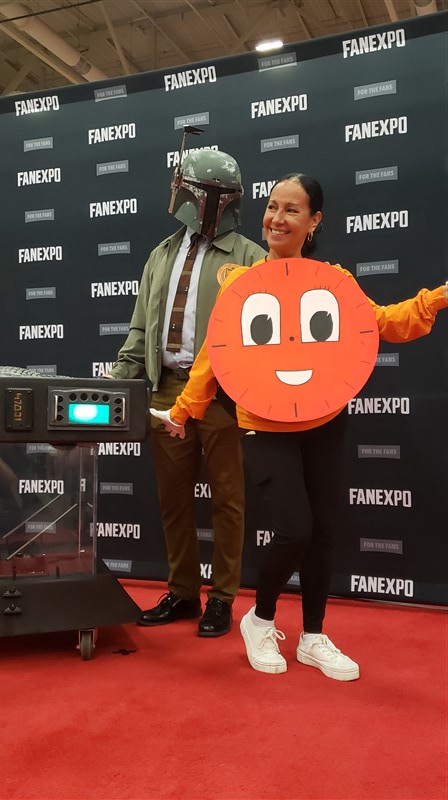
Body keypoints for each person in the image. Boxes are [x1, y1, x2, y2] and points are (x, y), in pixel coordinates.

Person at [151, 172, 448, 678]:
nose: (277, 218)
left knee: (324, 530)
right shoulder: (242, 285)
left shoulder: (334, 280)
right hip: (263, 422)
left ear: (314, 221)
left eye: (292, 210)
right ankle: (261, 620)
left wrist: (435, 299)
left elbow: (381, 322)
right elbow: (215, 355)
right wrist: (183, 410)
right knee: (295, 530)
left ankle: (313, 635)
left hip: (324, 418)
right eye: (272, 207)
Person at [106, 148, 266, 637]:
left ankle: (222, 598)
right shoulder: (161, 254)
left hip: (223, 397)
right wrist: (116, 381)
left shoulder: (252, 259)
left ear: (201, 196)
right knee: (173, 499)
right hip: (166, 393)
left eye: (182, 185)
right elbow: (140, 330)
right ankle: (182, 591)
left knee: (228, 501)